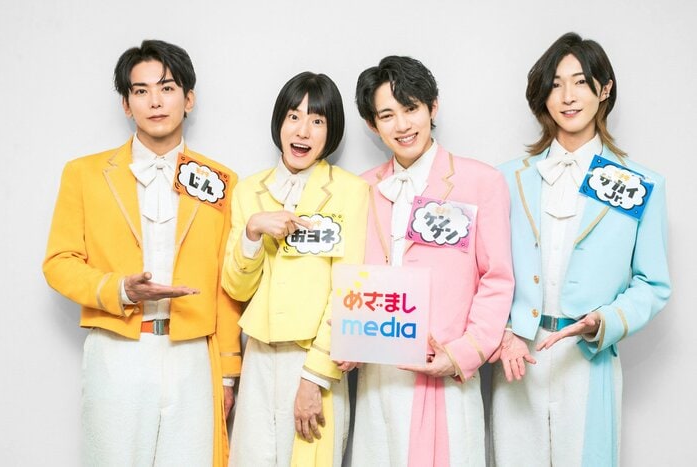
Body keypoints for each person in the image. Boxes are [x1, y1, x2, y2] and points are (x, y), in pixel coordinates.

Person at [43, 40, 241, 467]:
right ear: (126, 104)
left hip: (193, 353)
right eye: (141, 90)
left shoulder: (222, 180)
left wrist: (228, 372)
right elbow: (59, 262)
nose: (155, 101)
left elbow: (226, 283)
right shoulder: (84, 174)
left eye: (167, 88)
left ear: (189, 99)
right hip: (117, 349)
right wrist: (119, 289)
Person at [490, 32, 671, 467]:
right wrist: (503, 331)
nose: (567, 97)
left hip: (590, 359)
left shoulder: (641, 184)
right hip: (518, 356)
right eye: (555, 84)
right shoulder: (506, 179)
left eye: (580, 82)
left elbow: (654, 284)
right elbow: (486, 270)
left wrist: (603, 321)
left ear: (604, 89)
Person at [351, 55, 514, 467]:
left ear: (432, 107)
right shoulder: (360, 188)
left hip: (444, 370)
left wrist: (462, 354)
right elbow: (350, 274)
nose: (402, 125)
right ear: (372, 124)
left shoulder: (481, 182)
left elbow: (496, 278)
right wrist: (347, 340)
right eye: (387, 115)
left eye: (411, 108)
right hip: (376, 372)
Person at [222, 71, 368, 467]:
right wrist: (252, 232)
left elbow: (349, 290)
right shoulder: (249, 190)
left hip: (312, 359)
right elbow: (236, 288)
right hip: (258, 356)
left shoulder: (351, 191)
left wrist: (314, 377)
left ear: (331, 131)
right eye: (293, 116)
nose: (303, 130)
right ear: (279, 122)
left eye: (317, 120)